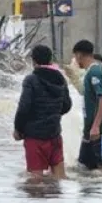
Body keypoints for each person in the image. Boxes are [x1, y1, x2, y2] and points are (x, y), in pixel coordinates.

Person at [13, 44, 73, 179]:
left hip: (35, 136)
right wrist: (53, 113)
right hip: (55, 134)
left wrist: (18, 129)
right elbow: (67, 105)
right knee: (60, 177)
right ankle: (62, 201)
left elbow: (24, 107)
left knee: (36, 181)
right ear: (50, 60)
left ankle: (39, 202)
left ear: (34, 61)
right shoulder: (60, 78)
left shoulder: (31, 79)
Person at [73, 40, 102, 171]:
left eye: (75, 57)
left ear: (79, 55)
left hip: (100, 130)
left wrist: (96, 126)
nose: (76, 60)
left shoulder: (95, 72)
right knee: (84, 168)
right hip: (90, 130)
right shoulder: (89, 72)